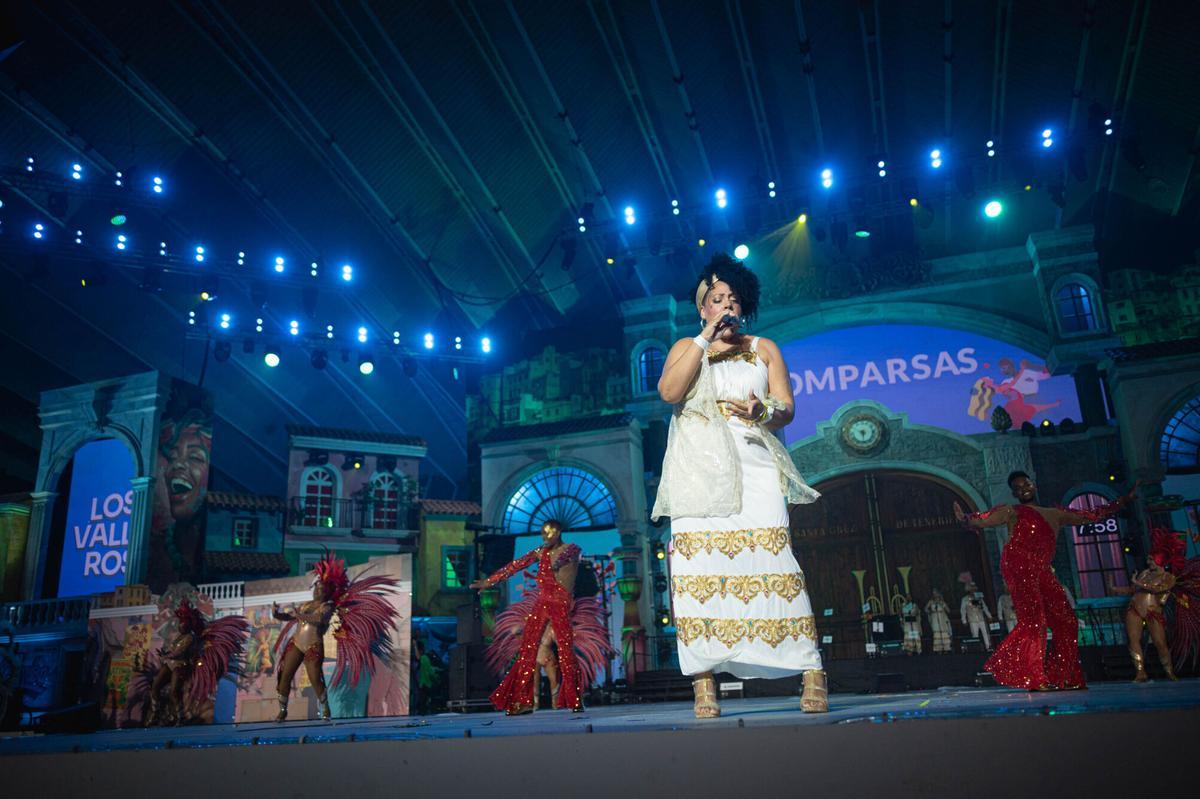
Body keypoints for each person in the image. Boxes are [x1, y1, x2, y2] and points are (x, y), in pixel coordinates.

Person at [653, 254, 825, 718]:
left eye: (732, 298)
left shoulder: (763, 347)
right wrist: (701, 341)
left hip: (753, 466)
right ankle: (704, 681)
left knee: (772, 559)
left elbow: (787, 406)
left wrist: (762, 412)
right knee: (697, 574)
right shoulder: (686, 348)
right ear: (703, 308)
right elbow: (669, 393)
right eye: (716, 299)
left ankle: (810, 670)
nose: (726, 304)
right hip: (697, 473)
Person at [956, 473, 1138, 690]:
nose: (1023, 488)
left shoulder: (1056, 513)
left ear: (1034, 484)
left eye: (1026, 484)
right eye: (1017, 487)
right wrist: (966, 518)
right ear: (1014, 492)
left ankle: (1064, 676)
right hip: (1019, 564)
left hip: (1041, 569)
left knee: (1067, 620)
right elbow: (985, 519)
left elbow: (1089, 515)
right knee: (1035, 620)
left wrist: (1122, 502)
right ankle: (1035, 678)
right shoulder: (1012, 511)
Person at [473, 520, 611, 714]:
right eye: (543, 534)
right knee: (527, 649)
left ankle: (574, 699)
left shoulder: (572, 549)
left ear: (559, 532)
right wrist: (489, 581)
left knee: (565, 650)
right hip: (543, 602)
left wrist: (555, 561)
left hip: (560, 604)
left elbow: (564, 558)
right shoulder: (541, 551)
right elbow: (516, 565)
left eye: (550, 534)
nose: (546, 538)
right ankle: (524, 701)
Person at [273, 551, 401, 721]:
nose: (317, 589)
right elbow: (290, 616)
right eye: (316, 587)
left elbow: (319, 619)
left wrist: (300, 616)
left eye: (320, 587)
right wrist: (277, 615)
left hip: (313, 646)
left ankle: (325, 709)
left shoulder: (327, 606)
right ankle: (282, 710)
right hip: (296, 644)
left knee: (315, 680)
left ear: (326, 591)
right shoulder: (306, 605)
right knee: (284, 676)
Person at [1108, 529, 1200, 681]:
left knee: (1160, 642)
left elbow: (1159, 589)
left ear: (1160, 560)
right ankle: (1140, 672)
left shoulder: (1169, 577)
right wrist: (1114, 587)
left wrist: (1138, 582)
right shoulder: (1144, 574)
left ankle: (1169, 672)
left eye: (1151, 559)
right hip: (1135, 609)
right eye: (1148, 559)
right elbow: (1133, 589)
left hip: (1153, 611)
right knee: (1133, 640)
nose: (1148, 562)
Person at [143, 600, 248, 726]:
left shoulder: (189, 637)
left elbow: (179, 652)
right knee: (155, 686)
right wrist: (165, 655)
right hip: (170, 664)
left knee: (174, 691)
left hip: (180, 666)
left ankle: (179, 716)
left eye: (182, 623)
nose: (180, 625)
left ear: (187, 625)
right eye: (179, 623)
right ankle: (155, 712)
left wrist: (167, 654)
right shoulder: (178, 637)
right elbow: (172, 651)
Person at [959, 580, 994, 650]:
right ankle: (977, 648)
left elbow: (984, 607)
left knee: (985, 634)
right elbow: (963, 610)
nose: (973, 590)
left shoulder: (979, 597)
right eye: (972, 589)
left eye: (974, 589)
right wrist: (964, 620)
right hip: (972, 620)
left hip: (981, 618)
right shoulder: (965, 599)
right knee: (975, 635)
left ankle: (988, 647)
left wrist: (989, 616)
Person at [925, 590, 953, 654]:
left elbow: (948, 610)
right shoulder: (931, 602)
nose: (935, 595)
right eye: (934, 594)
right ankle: (938, 649)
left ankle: (946, 648)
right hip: (935, 619)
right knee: (937, 634)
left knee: (944, 633)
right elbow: (925, 609)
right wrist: (930, 612)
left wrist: (942, 604)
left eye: (936, 593)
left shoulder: (942, 602)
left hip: (942, 619)